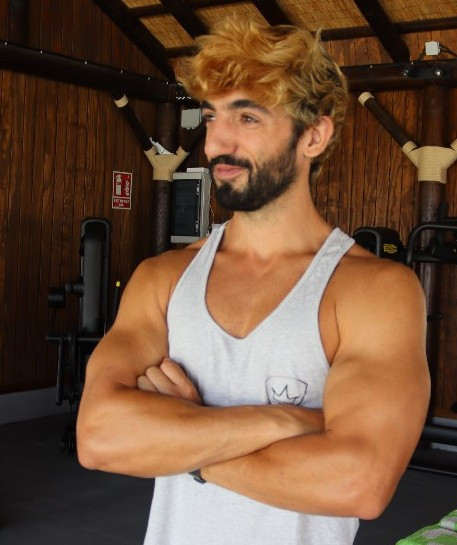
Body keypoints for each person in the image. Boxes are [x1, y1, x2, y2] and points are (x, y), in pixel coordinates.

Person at [77, 17, 430, 545]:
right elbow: (100, 438)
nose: (216, 142)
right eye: (211, 116)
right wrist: (282, 421)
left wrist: (188, 442)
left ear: (313, 135)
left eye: (247, 117)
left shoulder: (373, 291)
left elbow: (358, 482)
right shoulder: (163, 278)